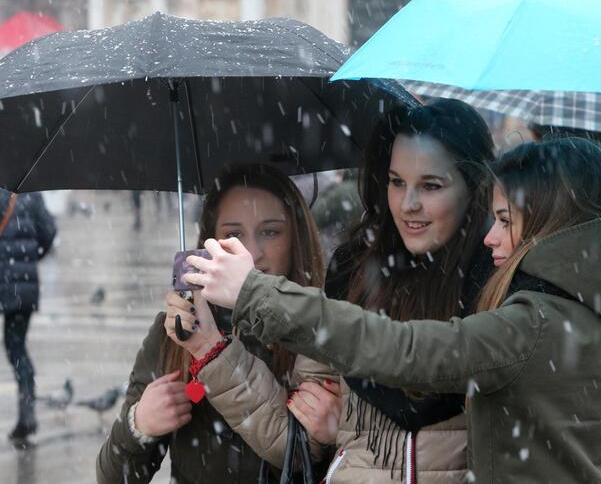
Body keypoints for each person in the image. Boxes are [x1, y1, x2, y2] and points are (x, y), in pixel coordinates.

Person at [182, 137, 601, 483]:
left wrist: (255, 292)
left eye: (505, 220)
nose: (491, 239)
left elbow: (394, 349)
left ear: (547, 226)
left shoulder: (525, 330)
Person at [177, 99, 496, 482]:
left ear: (473, 187)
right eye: (397, 182)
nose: (409, 204)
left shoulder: (499, 282)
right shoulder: (355, 273)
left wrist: (343, 422)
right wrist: (209, 347)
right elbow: (291, 440)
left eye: (431, 186)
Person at [96, 164, 337, 483]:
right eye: (233, 234)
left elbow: (313, 458)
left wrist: (337, 436)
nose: (250, 254)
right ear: (208, 244)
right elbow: (114, 478)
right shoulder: (177, 332)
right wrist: (138, 426)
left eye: (270, 231)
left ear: (296, 239)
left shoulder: (325, 325)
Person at [1, 189, 56, 445]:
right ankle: (27, 412)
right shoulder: (30, 190)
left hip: (5, 277)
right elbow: (49, 231)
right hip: (23, 283)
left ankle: (26, 415)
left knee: (14, 347)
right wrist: (30, 256)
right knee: (17, 347)